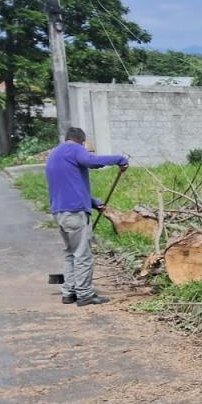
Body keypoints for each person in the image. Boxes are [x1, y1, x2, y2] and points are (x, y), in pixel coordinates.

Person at [45, 126, 128, 306]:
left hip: (60, 212)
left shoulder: (54, 155)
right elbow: (91, 161)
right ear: (81, 141)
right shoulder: (74, 149)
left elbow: (68, 186)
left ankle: (69, 292)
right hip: (74, 213)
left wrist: (93, 202)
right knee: (83, 255)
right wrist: (119, 159)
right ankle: (85, 294)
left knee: (70, 253)